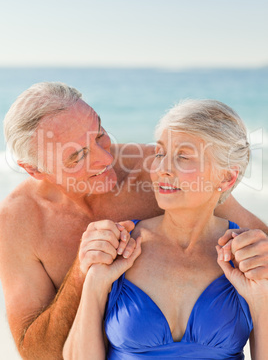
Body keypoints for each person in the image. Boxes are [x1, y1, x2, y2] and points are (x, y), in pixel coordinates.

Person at [0, 84, 266, 360]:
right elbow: (38, 353)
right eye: (78, 156)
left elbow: (258, 242)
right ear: (33, 169)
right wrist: (82, 270)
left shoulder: (155, 172)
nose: (106, 158)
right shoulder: (20, 219)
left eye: (100, 136)